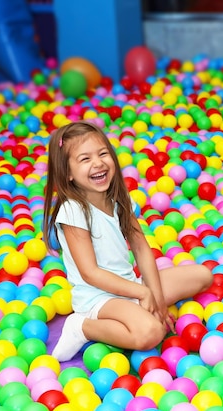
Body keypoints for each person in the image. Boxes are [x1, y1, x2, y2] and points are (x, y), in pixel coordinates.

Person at [42, 121, 213, 361]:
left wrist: (153, 293)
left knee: (203, 276)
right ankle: (82, 327)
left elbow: (142, 248)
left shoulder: (118, 199)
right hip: (99, 297)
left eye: (103, 154)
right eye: (85, 159)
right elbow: (90, 273)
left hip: (130, 285)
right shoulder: (73, 211)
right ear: (68, 173)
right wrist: (143, 294)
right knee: (151, 332)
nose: (98, 163)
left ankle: (135, 306)